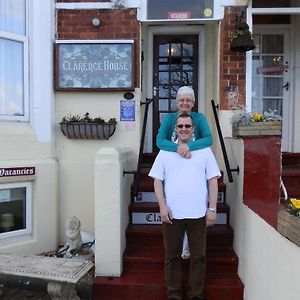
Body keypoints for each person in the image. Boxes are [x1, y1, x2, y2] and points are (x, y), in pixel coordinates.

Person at [149, 113, 220, 300]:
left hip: (198, 214)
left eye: (187, 126)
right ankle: (174, 294)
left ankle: (196, 295)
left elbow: (213, 180)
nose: (183, 129)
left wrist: (212, 209)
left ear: (193, 128)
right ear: (176, 129)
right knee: (172, 257)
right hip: (172, 214)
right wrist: (162, 207)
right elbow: (157, 181)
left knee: (198, 257)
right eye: (180, 126)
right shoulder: (165, 152)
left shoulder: (204, 151)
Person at [156, 86, 213, 258]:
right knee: (175, 209)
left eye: (188, 100)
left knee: (195, 209)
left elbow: (208, 139)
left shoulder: (199, 118)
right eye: (182, 100)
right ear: (177, 102)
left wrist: (189, 146)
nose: (185, 103)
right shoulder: (169, 119)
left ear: (193, 103)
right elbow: (160, 141)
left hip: (195, 171)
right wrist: (178, 148)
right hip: (175, 171)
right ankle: (176, 247)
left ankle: (190, 246)